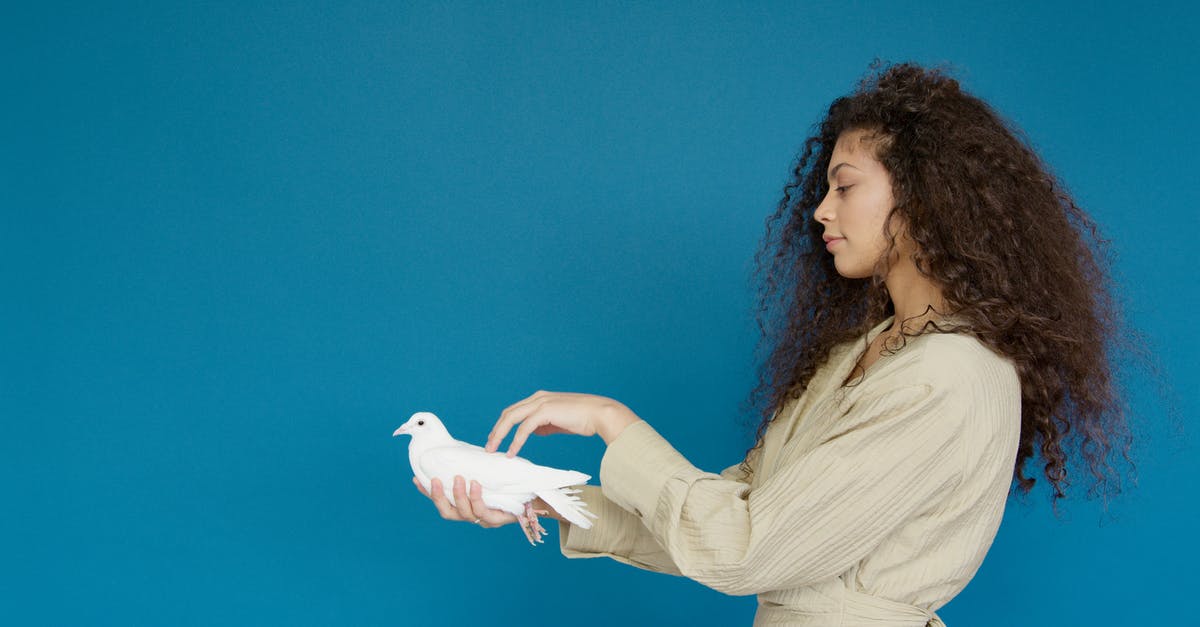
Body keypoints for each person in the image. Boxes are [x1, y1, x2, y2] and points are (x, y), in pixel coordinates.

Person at [414, 61, 1136, 626]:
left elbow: (744, 548)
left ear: (921, 198)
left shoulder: (952, 377)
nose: (821, 210)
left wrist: (613, 421)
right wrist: (541, 497)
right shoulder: (861, 355)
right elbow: (724, 516)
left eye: (844, 186)